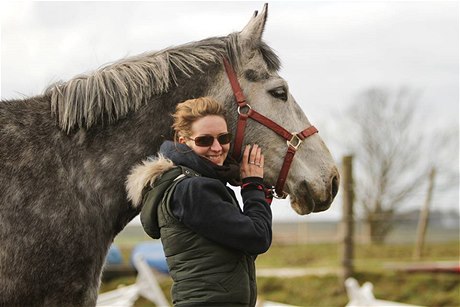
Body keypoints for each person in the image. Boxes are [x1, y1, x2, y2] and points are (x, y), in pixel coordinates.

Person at [126, 96, 273, 306]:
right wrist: (253, 187)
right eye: (205, 140)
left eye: (224, 138)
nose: (217, 147)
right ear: (183, 141)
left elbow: (238, 252)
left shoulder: (188, 185)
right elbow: (257, 238)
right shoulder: (193, 190)